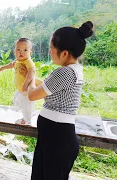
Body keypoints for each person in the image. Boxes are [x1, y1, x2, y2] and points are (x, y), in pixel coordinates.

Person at [28, 21, 94, 180]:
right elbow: (47, 86)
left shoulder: (65, 73)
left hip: (57, 137)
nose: (50, 52)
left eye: (52, 49)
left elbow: (32, 95)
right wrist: (33, 79)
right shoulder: (74, 70)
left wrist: (30, 77)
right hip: (55, 135)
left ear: (64, 53)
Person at [0, 38, 36, 125]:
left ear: (30, 53)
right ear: (14, 51)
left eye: (25, 50)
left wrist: (26, 83)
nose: (21, 52)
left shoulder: (28, 61)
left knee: (26, 104)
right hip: (20, 89)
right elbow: (11, 65)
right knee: (17, 101)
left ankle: (27, 120)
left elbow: (31, 72)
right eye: (18, 49)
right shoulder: (18, 61)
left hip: (26, 89)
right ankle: (29, 113)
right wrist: (3, 68)